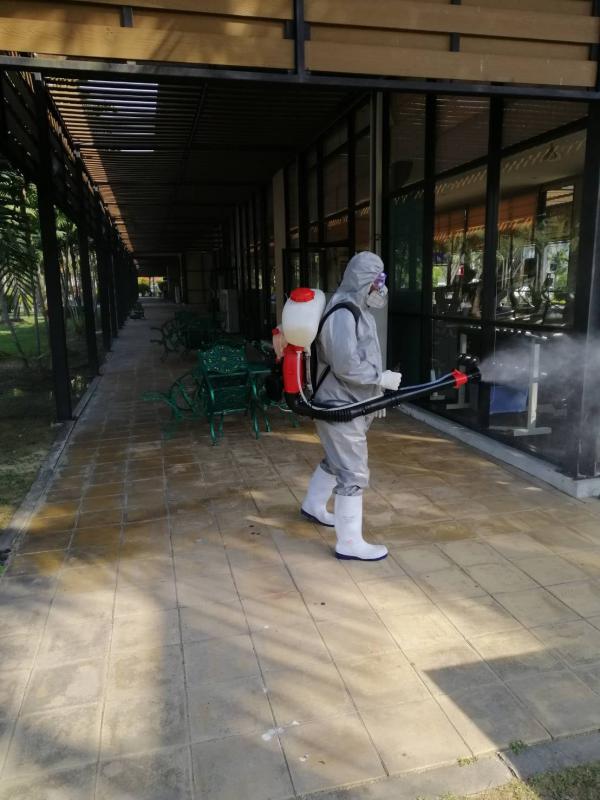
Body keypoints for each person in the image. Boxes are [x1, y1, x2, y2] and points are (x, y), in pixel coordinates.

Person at [300, 252, 403, 561]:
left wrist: (375, 391)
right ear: (365, 280)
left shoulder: (356, 308)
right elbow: (345, 364)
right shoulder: (343, 313)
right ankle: (349, 543)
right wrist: (379, 378)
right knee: (353, 473)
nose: (381, 288)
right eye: (378, 281)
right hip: (339, 403)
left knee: (337, 461)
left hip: (350, 401)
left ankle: (313, 506)